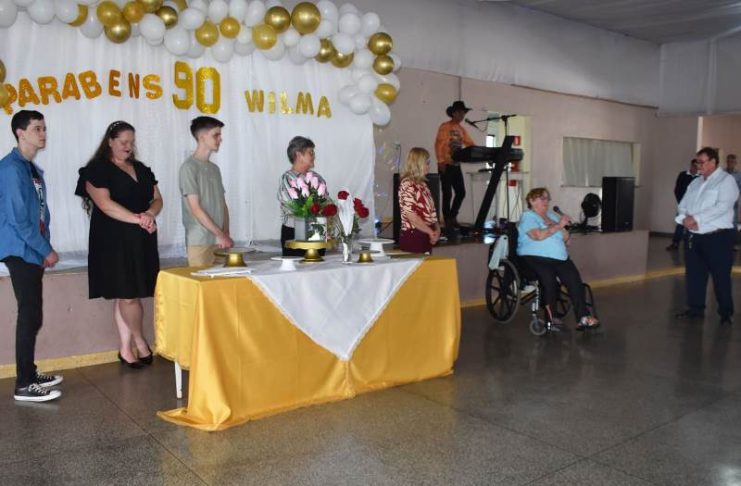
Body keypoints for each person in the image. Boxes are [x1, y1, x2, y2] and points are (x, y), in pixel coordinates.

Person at [75, 121, 162, 368]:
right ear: (110, 141)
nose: (128, 146)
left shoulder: (141, 168)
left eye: (131, 142)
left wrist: (150, 214)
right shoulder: (97, 169)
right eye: (123, 142)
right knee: (128, 295)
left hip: (141, 236)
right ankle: (141, 341)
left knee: (124, 295)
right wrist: (140, 219)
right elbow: (105, 204)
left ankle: (125, 349)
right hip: (113, 240)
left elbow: (157, 199)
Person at [0, 110, 63, 402]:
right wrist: (45, 249)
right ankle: (24, 384)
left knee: (33, 314)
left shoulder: (31, 169)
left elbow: (40, 213)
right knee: (29, 314)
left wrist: (43, 247)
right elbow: (18, 220)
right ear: (20, 133)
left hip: (32, 250)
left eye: (44, 128)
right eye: (37, 128)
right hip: (20, 249)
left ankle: (30, 372)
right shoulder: (11, 169)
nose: (43, 134)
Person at [517, 187, 599, 331]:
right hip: (535, 257)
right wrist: (559, 225)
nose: (546, 201)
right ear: (531, 200)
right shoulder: (528, 216)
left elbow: (566, 239)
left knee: (574, 281)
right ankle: (551, 318)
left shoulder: (552, 216)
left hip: (559, 257)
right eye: (542, 198)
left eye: (547, 198)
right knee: (548, 279)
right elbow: (537, 236)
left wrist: (565, 228)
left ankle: (583, 318)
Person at [675, 147, 738, 325]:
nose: (698, 165)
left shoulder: (726, 181)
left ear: (713, 162)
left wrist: (697, 219)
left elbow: (723, 207)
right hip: (694, 236)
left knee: (720, 277)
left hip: (718, 238)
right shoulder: (695, 182)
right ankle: (695, 309)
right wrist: (684, 219)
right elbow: (683, 204)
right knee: (694, 274)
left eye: (701, 162)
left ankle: (725, 312)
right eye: (697, 162)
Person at [179, 116, 233, 267]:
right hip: (200, 241)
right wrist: (220, 234)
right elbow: (195, 208)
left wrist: (226, 232)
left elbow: (222, 204)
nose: (220, 139)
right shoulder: (188, 167)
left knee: (223, 280)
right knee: (201, 280)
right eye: (216, 135)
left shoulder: (215, 169)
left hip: (220, 241)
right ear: (202, 137)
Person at [277, 136, 328, 256]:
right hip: (294, 231)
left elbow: (326, 202)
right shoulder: (287, 178)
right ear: (299, 155)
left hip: (318, 229)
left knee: (318, 264)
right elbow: (294, 206)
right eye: (311, 152)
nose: (314, 156)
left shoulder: (317, 177)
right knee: (297, 266)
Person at [434, 100, 475, 229]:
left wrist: (478, 151)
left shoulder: (462, 129)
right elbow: (438, 144)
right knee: (447, 193)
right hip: (445, 164)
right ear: (454, 113)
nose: (462, 115)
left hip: (456, 165)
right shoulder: (445, 126)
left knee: (461, 192)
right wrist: (440, 161)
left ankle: (452, 216)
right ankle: (447, 219)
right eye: (460, 113)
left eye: (464, 113)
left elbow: (470, 143)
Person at [398, 147, 441, 253]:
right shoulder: (407, 185)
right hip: (413, 236)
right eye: (426, 163)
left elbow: (432, 213)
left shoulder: (423, 185)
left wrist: (437, 230)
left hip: (425, 234)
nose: (428, 166)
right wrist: (430, 232)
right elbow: (412, 216)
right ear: (417, 164)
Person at [667, 159, 699, 250]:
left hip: (695, 206)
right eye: (694, 166)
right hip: (683, 205)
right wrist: (681, 203)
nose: (695, 168)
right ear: (691, 165)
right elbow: (677, 190)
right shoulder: (683, 175)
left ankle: (690, 244)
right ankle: (675, 243)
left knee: (693, 224)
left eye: (697, 166)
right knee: (680, 223)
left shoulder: (700, 177)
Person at [725, 153, 741, 231]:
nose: (730, 163)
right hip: (723, 200)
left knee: (733, 221)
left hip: (733, 202)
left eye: (732, 161)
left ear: (735, 163)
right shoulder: (722, 173)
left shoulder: (739, 174)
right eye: (728, 161)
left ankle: (733, 235)